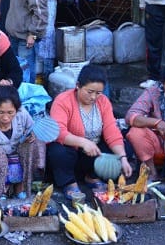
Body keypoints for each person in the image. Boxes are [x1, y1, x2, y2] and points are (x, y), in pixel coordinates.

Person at [48, 64, 133, 199]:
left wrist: (123, 158)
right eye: (90, 92)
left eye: (98, 93)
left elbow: (111, 130)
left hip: (94, 155)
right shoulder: (63, 101)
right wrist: (82, 142)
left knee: (125, 147)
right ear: (78, 86)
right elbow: (58, 132)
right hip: (72, 155)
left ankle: (92, 177)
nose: (94, 97)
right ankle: (69, 182)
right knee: (57, 150)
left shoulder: (103, 102)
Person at [0, 85, 45, 212]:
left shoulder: (22, 115)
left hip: (16, 161)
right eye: (0, 112)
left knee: (34, 142)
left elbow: (31, 130)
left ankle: (20, 188)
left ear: (17, 110)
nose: (5, 118)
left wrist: (30, 135)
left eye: (10, 113)